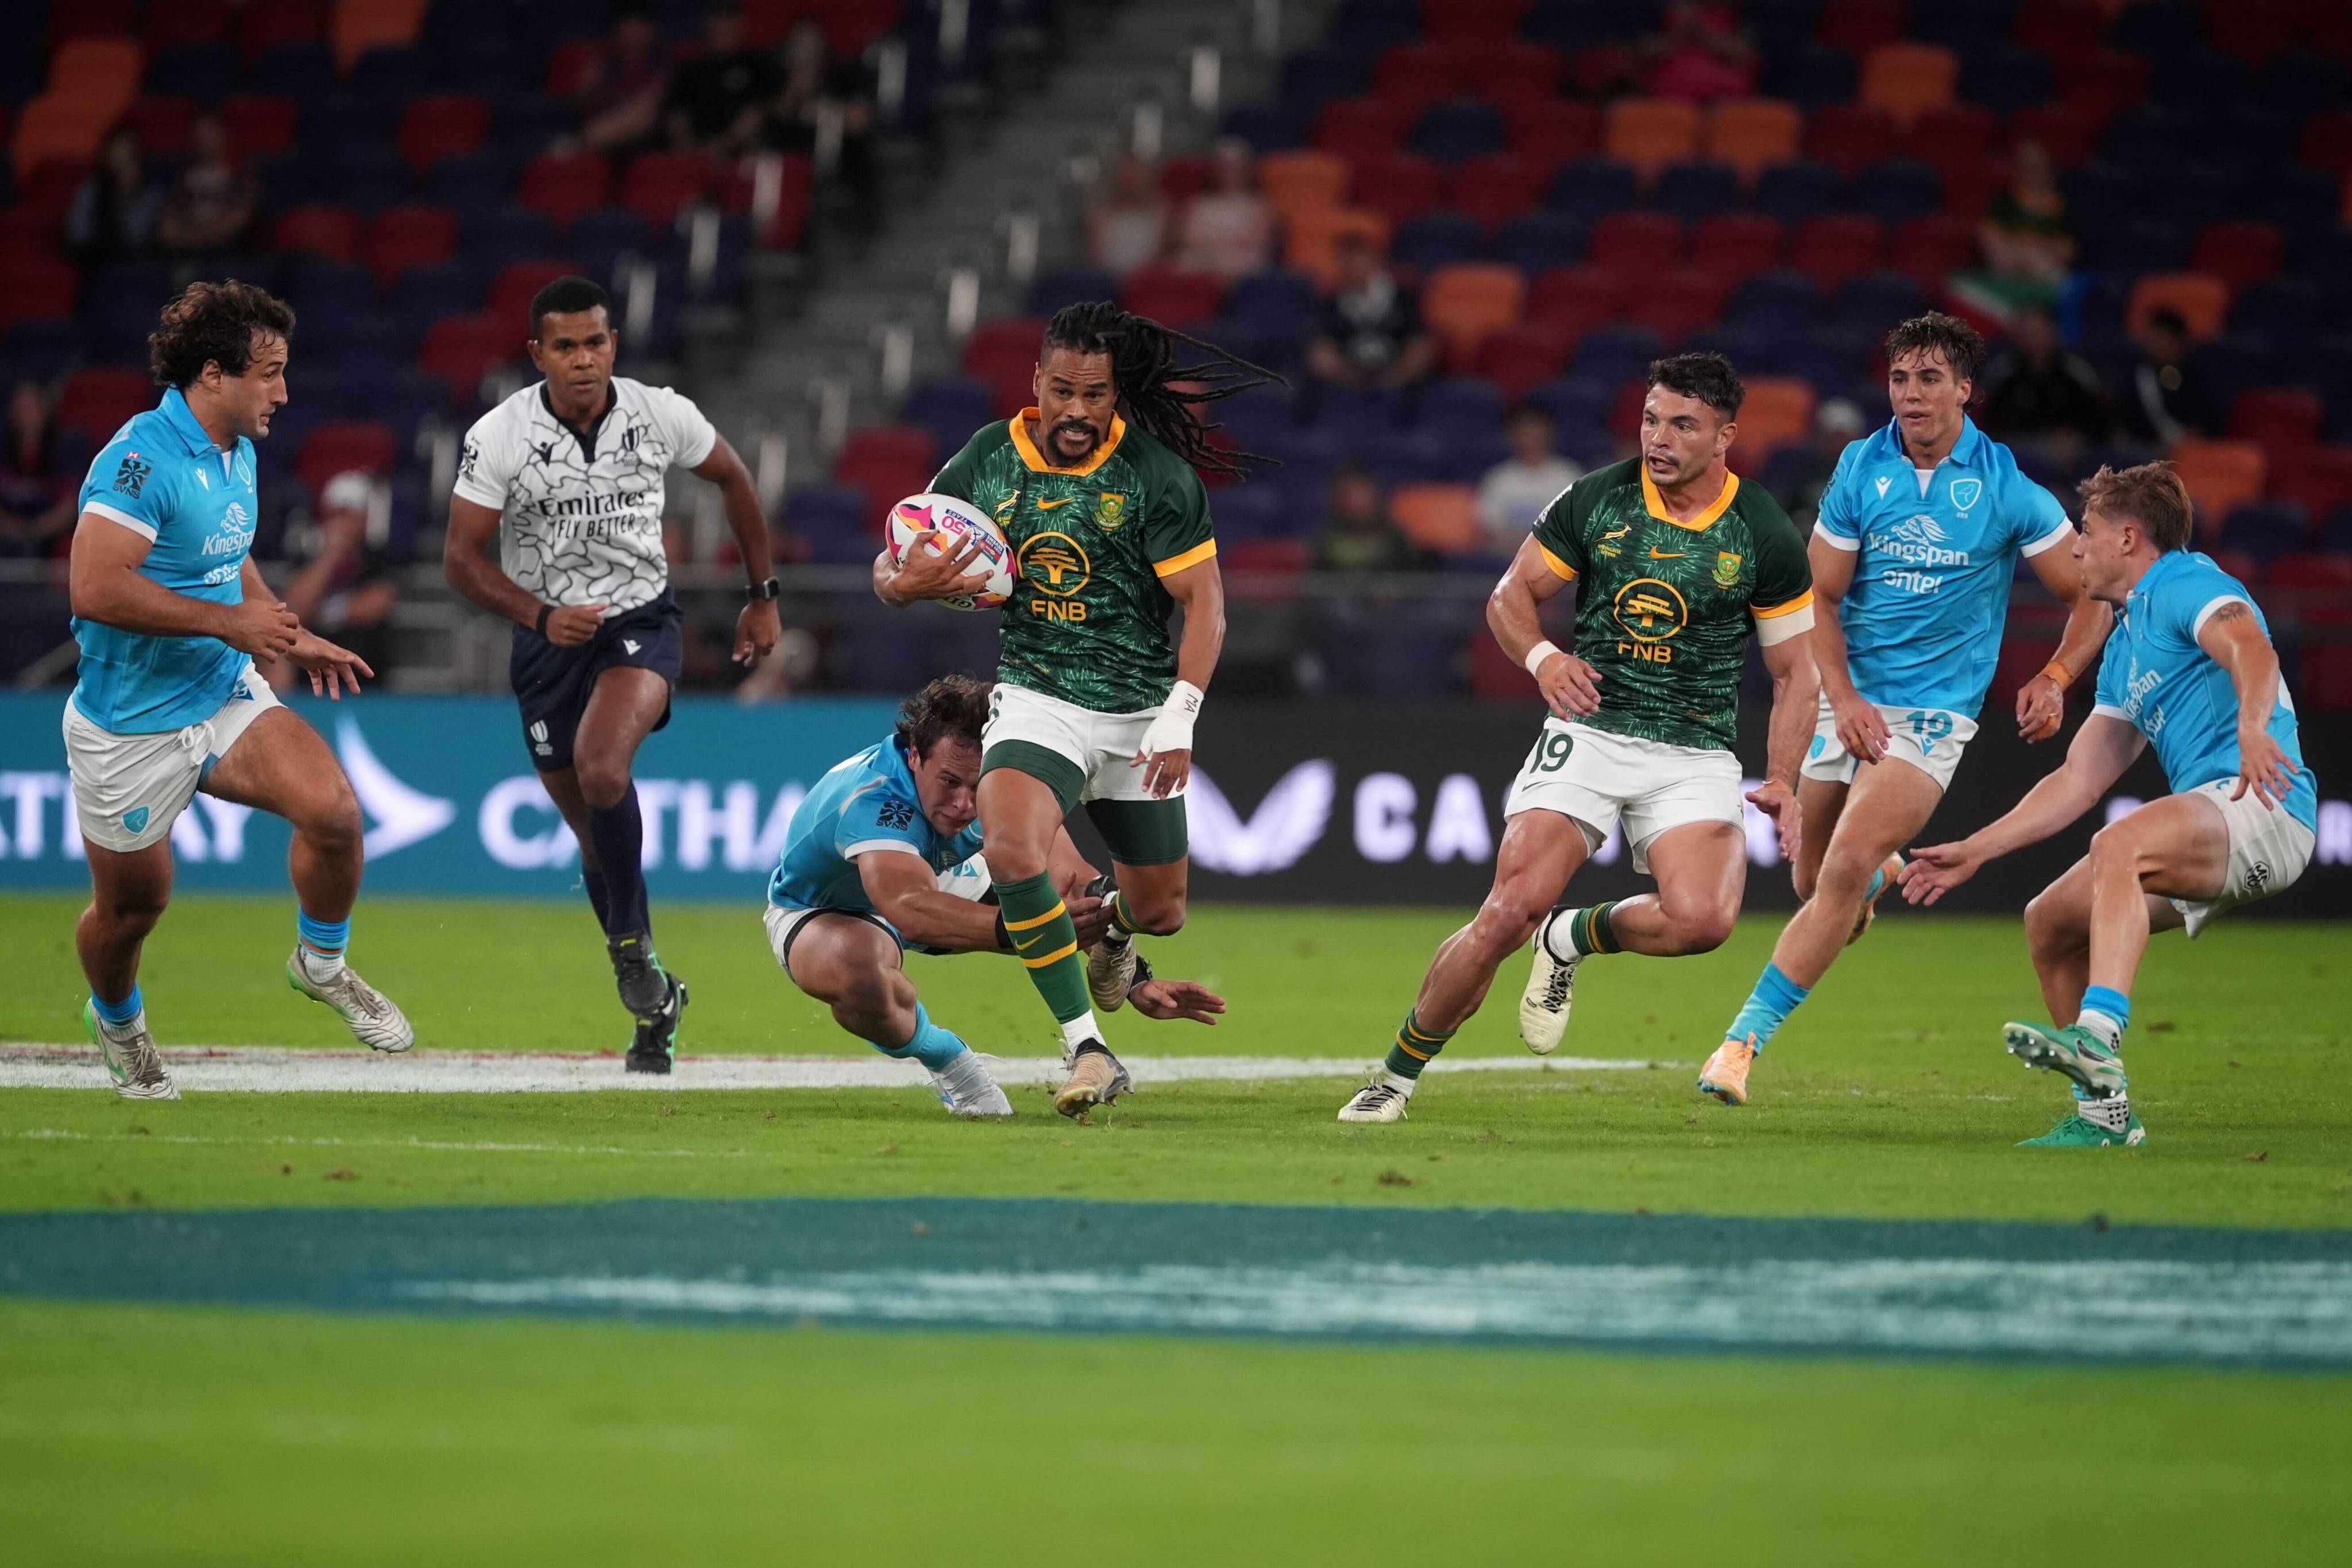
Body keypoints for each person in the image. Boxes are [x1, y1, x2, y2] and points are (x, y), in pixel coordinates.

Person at [1337, 353, 1821, 1123]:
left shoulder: (1761, 527)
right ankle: (1393, 1078)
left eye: (1682, 425)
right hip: (1589, 730)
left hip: (1691, 746)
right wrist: (1543, 657)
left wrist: (1783, 778)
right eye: (1650, 419)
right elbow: (1510, 595)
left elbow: (1798, 672)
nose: (1659, 439)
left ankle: (1574, 934)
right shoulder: (1598, 497)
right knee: (1506, 910)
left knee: (1702, 921)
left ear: (1724, 435)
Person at [1695, 312, 2114, 1108]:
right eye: (1897, 378)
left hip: (1931, 716)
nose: (1909, 394)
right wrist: (1843, 698)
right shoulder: (1860, 467)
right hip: (1845, 696)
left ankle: (1738, 1043)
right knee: (1817, 882)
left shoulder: (2003, 487)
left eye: (1927, 379)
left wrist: (2056, 676)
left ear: (1963, 388)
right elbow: (1814, 594)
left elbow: (2091, 590)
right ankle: (1879, 876)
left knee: (1843, 866)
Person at [874, 302, 1281, 1118]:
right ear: (1036, 383)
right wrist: (902, 584)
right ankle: (1087, 1046)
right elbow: (895, 562)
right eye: (1062, 391)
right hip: (1036, 698)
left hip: (1138, 714)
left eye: (1094, 395)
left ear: (1114, 395)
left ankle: (1117, 941)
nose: (1076, 411)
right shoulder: (989, 459)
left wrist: (1179, 716)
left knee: (1161, 910)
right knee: (1014, 848)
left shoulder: (1156, 478)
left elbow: (1205, 608)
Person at [1899, 462, 2314, 1147]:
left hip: (2266, 804)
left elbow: (2254, 650)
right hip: (2217, 820)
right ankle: (2104, 1117)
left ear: (2128, 539)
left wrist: (2250, 727)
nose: (2075, 550)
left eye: (2086, 533)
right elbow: (2078, 780)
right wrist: (1977, 849)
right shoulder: (2123, 647)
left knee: (2117, 845)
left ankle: (2097, 1032)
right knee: (2050, 924)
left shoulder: (2186, 582)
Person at [62, 281, 407, 1099]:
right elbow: (92, 587)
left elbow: (228, 560)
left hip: (220, 692)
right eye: (268, 373)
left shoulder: (237, 449)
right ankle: (117, 1020)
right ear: (212, 374)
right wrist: (227, 625)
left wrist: (281, 629)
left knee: (334, 813)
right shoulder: (139, 460)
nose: (282, 393)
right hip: (128, 726)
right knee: (132, 913)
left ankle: (320, 963)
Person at [442, 275, 781, 1074]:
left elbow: (733, 479)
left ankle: (630, 945)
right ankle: (657, 1000)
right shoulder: (499, 437)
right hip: (547, 640)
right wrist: (537, 618)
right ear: (538, 355)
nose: (584, 359)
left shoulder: (660, 412)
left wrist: (760, 596)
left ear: (612, 345)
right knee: (591, 833)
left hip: (640, 623)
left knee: (602, 766)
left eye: (595, 342)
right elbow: (458, 560)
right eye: (565, 346)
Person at [766, 674, 1227, 1115]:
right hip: (827, 908)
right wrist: (1023, 930)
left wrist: (1135, 980)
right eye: (949, 782)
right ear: (913, 757)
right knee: (858, 971)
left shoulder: (1004, 778)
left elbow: (1076, 884)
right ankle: (948, 1058)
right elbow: (907, 907)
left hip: (942, 880)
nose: (965, 805)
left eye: (976, 784)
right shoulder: (875, 802)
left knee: (1061, 894)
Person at [275, 469, 400, 689]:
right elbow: (295, 609)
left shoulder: (377, 557)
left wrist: (321, 612)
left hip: (367, 672)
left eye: (351, 514)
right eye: (338, 514)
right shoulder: (307, 556)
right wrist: (330, 556)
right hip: (311, 675)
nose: (344, 522)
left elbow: (376, 605)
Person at [1307, 235, 1438, 390]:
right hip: (1350, 373)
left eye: (1360, 262)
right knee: (1319, 355)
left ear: (1376, 262)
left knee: (1421, 350)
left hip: (1396, 369)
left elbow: (1420, 337)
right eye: (1349, 263)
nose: (1355, 269)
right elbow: (1323, 341)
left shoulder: (1403, 297)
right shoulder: (1333, 302)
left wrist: (1398, 373)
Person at [1980, 304, 2108, 445]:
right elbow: (1988, 424)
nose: (2034, 341)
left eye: (2040, 333)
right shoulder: (2003, 373)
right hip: (2017, 452)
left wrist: (2077, 436)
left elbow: (2099, 421)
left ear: (2053, 333)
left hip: (2071, 454)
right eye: (2028, 334)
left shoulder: (2076, 371)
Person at [663, 4, 778, 155]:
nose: (721, 30)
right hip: (696, 150)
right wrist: (691, 150)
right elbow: (677, 115)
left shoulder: (757, 66)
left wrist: (725, 145)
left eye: (727, 23)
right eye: (716, 24)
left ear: (740, 27)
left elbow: (761, 112)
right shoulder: (691, 71)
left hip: (744, 148)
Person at [1477, 403, 1584, 550]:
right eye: (1525, 432)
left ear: (1550, 433)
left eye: (1537, 431)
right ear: (1512, 436)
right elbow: (1488, 528)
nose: (1532, 438)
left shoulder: (1569, 475)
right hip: (1508, 557)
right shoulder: (1498, 478)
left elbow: (1577, 528)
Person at [569, 5, 671, 155]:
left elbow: (649, 114)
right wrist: (585, 88)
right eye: (628, 27)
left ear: (652, 30)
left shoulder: (663, 66)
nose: (633, 34)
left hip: (645, 145)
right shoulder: (604, 66)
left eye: (639, 26)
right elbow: (578, 105)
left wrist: (599, 133)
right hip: (598, 142)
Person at [155, 113, 256, 259]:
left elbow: (237, 222)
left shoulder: (242, 176)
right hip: (185, 255)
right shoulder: (183, 178)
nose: (204, 139)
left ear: (223, 134)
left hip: (229, 255)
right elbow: (168, 229)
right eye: (199, 133)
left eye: (210, 132)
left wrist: (192, 237)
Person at [1173, 138, 1273, 283]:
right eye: (1223, 167)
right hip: (1198, 264)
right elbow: (1187, 238)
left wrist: (1213, 243)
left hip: (1242, 268)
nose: (1229, 172)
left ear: (1247, 170)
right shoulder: (1198, 203)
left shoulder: (1260, 205)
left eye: (1235, 167)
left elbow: (1256, 241)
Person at [2117, 308, 2218, 447]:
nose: (2153, 345)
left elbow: (2206, 420)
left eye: (2160, 339)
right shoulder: (2138, 375)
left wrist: (2187, 440)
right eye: (2151, 339)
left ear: (2178, 341)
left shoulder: (2198, 376)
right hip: (2146, 450)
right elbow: (2125, 420)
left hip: (2189, 449)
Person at [65, 127, 163, 272]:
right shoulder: (92, 191)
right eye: (118, 158)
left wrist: (129, 195)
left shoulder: (153, 194)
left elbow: (138, 237)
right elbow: (78, 236)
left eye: (129, 157)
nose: (123, 166)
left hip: (140, 268)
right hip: (92, 268)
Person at [0, 380, 78, 557]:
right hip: (8, 535)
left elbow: (70, 505)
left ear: (45, 409)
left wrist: (36, 531)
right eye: (20, 408)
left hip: (53, 534)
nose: (25, 415)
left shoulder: (65, 446)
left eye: (30, 408)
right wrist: (13, 529)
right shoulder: (4, 448)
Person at [1773, 395, 1867, 532]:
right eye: (1832, 437)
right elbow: (1784, 510)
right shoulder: (1804, 472)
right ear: (1820, 437)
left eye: (1843, 437)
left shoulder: (1868, 475)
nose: (1837, 444)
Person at [1315, 464, 1419, 573]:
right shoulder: (1326, 541)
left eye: (1361, 494)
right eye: (1348, 494)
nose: (1355, 501)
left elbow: (1414, 580)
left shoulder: (1396, 539)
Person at [1086, 153, 1170, 280]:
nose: (1131, 181)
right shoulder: (1101, 212)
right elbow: (1094, 254)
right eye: (1127, 176)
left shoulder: (1162, 211)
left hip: (1148, 278)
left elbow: (1163, 252)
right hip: (1107, 277)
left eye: (1136, 175)